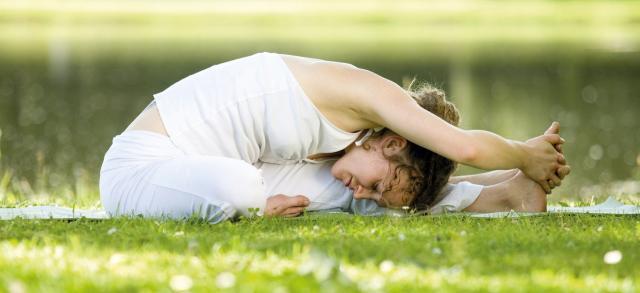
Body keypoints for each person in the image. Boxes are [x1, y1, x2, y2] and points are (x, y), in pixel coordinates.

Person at [99, 52, 567, 222]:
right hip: (144, 168)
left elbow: (412, 174)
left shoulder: (358, 144)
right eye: (380, 181)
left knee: (349, 198)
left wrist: (516, 172)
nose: (364, 188)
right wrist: (526, 153)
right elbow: (462, 146)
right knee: (242, 189)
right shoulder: (368, 94)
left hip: (205, 167)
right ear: (393, 142)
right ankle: (516, 175)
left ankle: (508, 193)